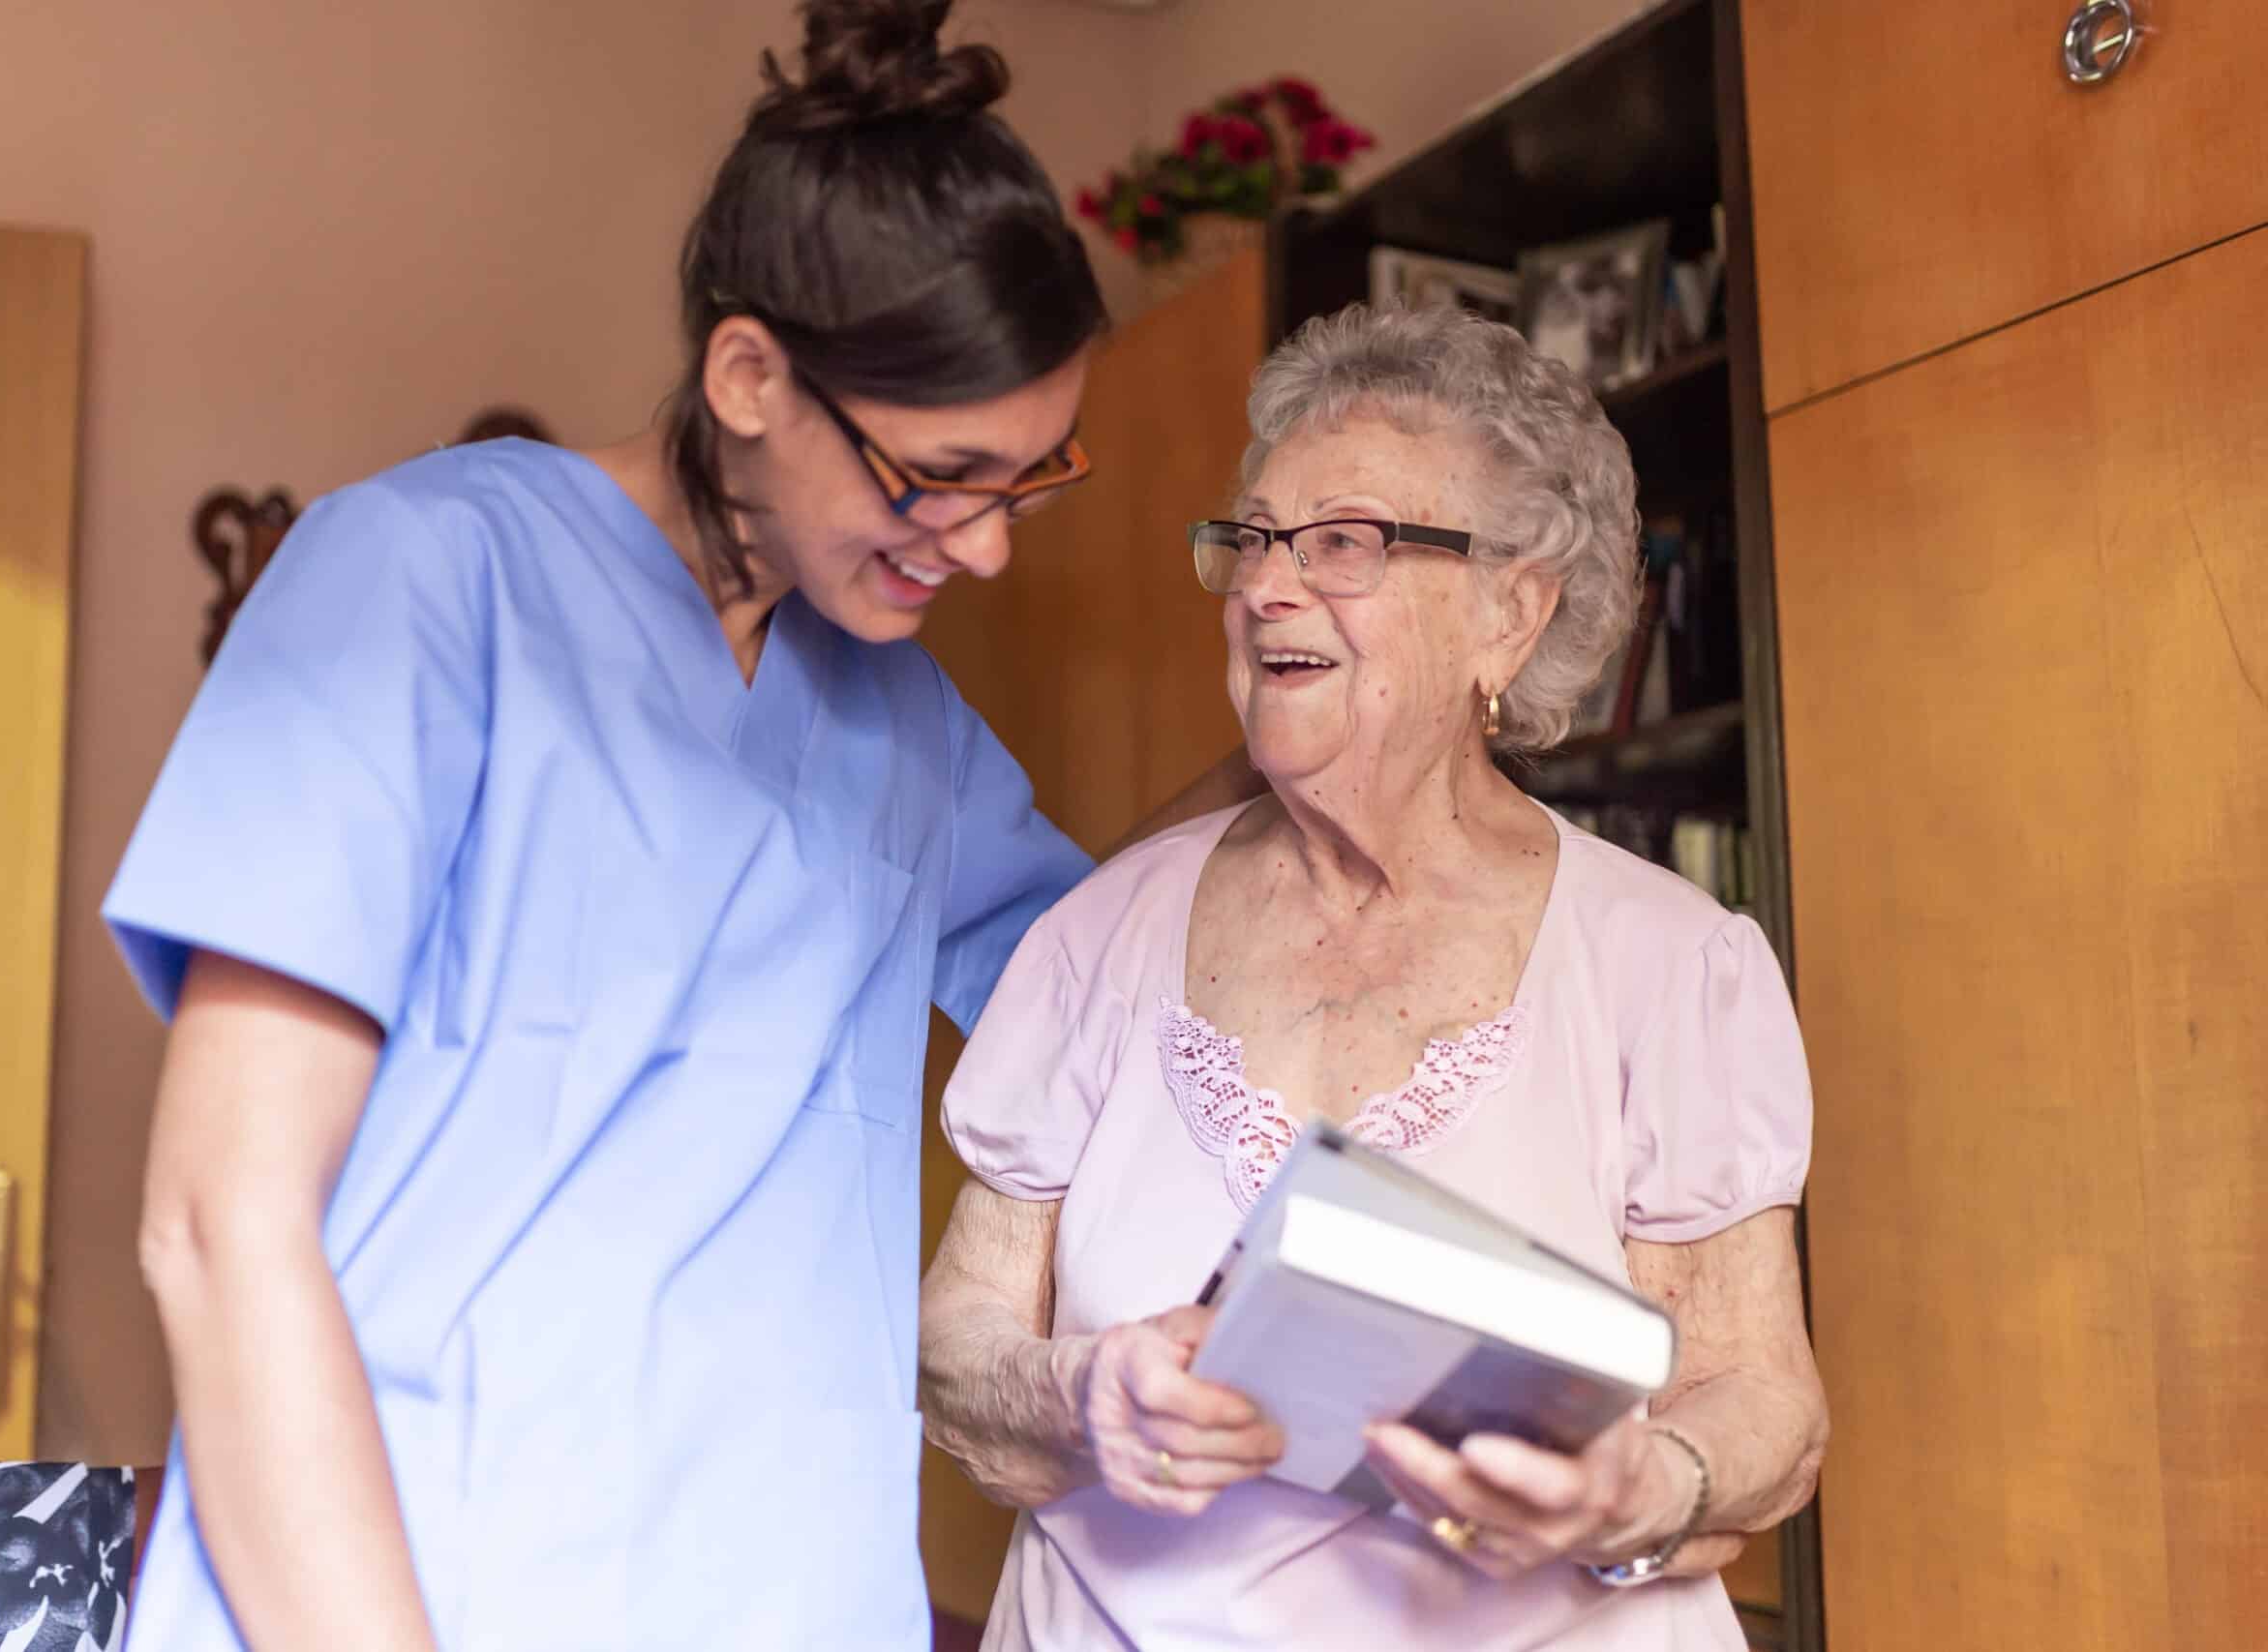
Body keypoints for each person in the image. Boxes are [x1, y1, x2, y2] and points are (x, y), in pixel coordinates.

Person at [106, 4, 1251, 1646]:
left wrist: (1329, 745)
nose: (987, 548)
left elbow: (1106, 976)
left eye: (1027, 480)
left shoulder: (898, 722)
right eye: (939, 477)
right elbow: (218, 1224)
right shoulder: (416, 584)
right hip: (406, 1588)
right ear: (747, 375)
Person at [920, 301, 1830, 1650]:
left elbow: (1769, 1405)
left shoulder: (1672, 964)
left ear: (1512, 613)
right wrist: (1080, 1392)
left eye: (1344, 542)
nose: (1267, 587)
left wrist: (1648, 1483)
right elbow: (958, 1342)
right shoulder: (1096, 936)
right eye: (1256, 538)